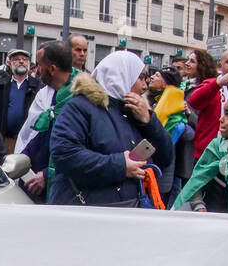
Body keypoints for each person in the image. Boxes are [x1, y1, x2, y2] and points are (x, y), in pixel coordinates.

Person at [48, 50, 172, 206]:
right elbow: (64, 154)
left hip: (126, 208)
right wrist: (119, 165)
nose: (144, 86)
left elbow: (166, 157)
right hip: (88, 213)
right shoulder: (80, 107)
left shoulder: (134, 111)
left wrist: (148, 121)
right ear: (121, 75)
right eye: (140, 77)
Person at [18, 40, 77, 200]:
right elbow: (40, 138)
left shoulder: (80, 103)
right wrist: (20, 158)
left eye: (39, 65)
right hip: (37, 187)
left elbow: (78, 154)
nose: (37, 70)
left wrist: (46, 174)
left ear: (52, 69)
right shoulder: (54, 97)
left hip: (64, 194)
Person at [187, 47, 228, 162]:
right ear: (220, 66)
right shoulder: (211, 84)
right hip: (208, 156)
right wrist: (218, 83)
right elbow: (194, 101)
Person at [149, 65, 191, 205]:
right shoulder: (152, 99)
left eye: (157, 75)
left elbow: (189, 134)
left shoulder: (176, 107)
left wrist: (185, 120)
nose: (152, 77)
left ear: (165, 83)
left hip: (163, 170)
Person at [0, 49, 42, 153]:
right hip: (6, 140)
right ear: (10, 63)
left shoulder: (38, 86)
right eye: (17, 59)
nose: (21, 62)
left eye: (25, 59)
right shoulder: (2, 85)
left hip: (29, 141)